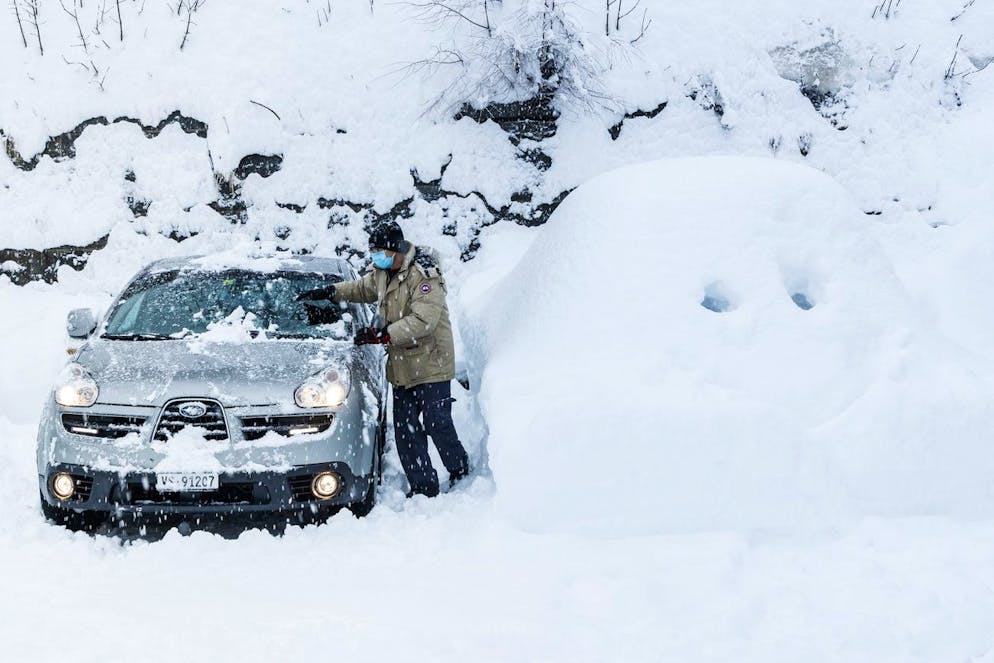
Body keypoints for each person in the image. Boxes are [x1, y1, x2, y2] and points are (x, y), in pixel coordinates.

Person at [298, 221, 470, 497]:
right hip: (402, 366)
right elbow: (361, 289)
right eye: (373, 252)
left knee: (437, 423)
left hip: (431, 364)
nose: (376, 257)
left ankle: (459, 467)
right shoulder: (382, 272)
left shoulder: (424, 276)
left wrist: (384, 334)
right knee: (406, 432)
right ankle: (423, 487)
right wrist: (331, 292)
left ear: (396, 249)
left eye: (380, 251)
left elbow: (424, 321)